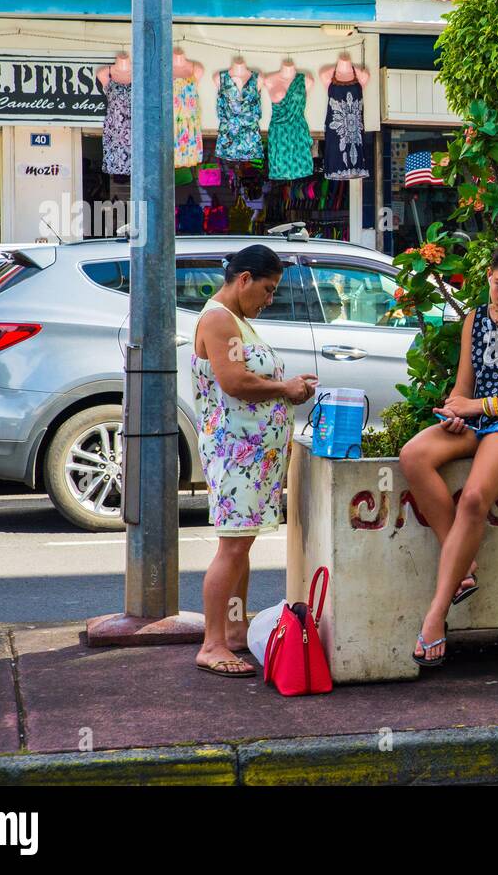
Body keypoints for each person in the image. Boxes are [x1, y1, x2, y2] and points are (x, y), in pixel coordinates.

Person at [398, 236, 498, 666]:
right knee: (413, 455)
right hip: (474, 420)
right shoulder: (475, 319)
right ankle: (464, 567)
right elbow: (462, 385)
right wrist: (454, 409)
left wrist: (478, 408)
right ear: (489, 277)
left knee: (473, 497)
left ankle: (434, 618)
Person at [193, 245, 317, 677]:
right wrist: (286, 389)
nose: (269, 299)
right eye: (266, 289)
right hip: (235, 452)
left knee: (242, 543)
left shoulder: (236, 320)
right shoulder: (218, 318)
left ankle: (232, 629)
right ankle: (212, 643)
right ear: (243, 279)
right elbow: (234, 382)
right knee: (231, 546)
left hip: (251, 453)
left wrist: (288, 387)